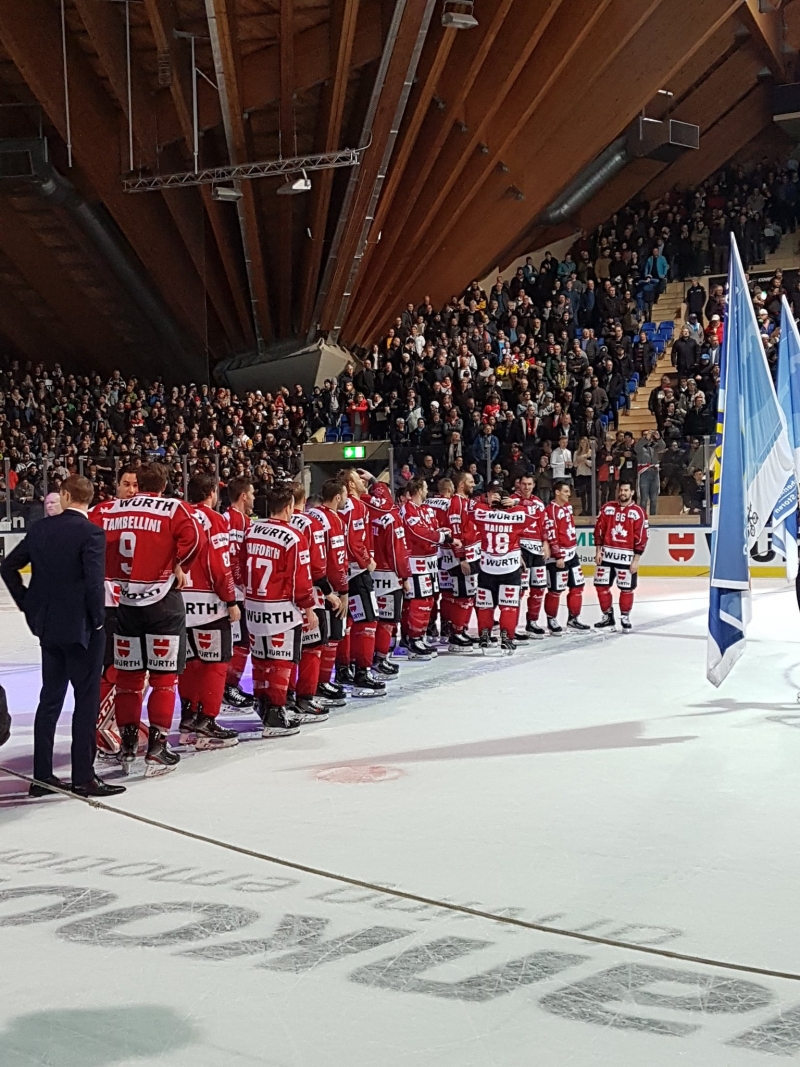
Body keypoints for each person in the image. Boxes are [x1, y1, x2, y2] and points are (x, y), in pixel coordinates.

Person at [1, 474, 124, 798]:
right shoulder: (91, 532)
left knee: (50, 699)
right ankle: (83, 776)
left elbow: (9, 567)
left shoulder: (41, 529)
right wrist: (98, 621)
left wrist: (28, 605)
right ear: (89, 498)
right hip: (82, 630)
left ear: (67, 496)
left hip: (47, 627)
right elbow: (94, 583)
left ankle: (42, 776)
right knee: (85, 701)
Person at [98, 461, 202, 777]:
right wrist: (178, 564)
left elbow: (91, 542)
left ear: (136, 483)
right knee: (163, 678)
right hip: (162, 603)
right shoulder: (172, 508)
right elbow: (194, 539)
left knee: (129, 677)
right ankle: (157, 747)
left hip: (125, 603)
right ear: (163, 485)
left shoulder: (110, 511)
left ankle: (128, 744)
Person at [242, 483, 316, 735]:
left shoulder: (252, 530)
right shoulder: (294, 537)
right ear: (288, 508)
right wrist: (309, 609)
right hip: (281, 609)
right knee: (280, 661)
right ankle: (275, 711)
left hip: (253, 605)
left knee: (260, 659)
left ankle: (262, 704)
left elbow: (241, 568)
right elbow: (300, 580)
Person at [177, 473, 242, 749]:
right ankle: (207, 721)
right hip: (209, 606)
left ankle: (188, 718)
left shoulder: (177, 514)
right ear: (212, 493)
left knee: (188, 663)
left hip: (180, 602)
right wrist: (230, 600)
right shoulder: (215, 520)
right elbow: (220, 565)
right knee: (215, 663)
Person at [89, 465, 140, 759]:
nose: (130, 490)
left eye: (135, 485)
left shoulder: (146, 514)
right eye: (125, 484)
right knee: (112, 667)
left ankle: (118, 721)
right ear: (116, 486)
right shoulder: (101, 512)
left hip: (138, 602)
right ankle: (102, 725)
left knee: (135, 670)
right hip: (110, 603)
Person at [336, 468, 385, 695]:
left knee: (346, 622)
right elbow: (353, 540)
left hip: (341, 572)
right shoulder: (355, 505)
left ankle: (344, 668)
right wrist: (367, 561)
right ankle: (362, 673)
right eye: (358, 478)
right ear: (351, 485)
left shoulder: (336, 506)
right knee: (367, 620)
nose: (362, 480)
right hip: (356, 571)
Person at [470, 481, 530, 653]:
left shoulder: (482, 512)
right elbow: (534, 514)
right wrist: (516, 503)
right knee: (509, 605)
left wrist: (487, 500)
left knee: (485, 605)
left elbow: (472, 508)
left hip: (487, 567)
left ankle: (484, 636)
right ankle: (507, 637)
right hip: (509, 568)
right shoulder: (518, 514)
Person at [307, 478, 351, 705]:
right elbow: (337, 560)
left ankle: (315, 684)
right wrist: (342, 590)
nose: (346, 499)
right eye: (344, 495)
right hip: (326, 586)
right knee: (332, 635)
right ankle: (321, 683)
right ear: (337, 497)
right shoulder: (333, 520)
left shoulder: (311, 514)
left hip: (309, 585)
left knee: (318, 639)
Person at [401, 477, 453, 658]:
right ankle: (413, 639)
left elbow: (433, 528)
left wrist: (442, 533)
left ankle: (421, 635)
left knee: (429, 601)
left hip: (431, 562)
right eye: (424, 487)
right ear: (418, 489)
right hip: (416, 563)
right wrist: (441, 537)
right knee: (418, 602)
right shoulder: (407, 510)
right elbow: (418, 533)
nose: (427, 490)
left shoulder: (427, 510)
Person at [593, 482, 649, 632]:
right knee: (601, 587)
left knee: (626, 589)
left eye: (626, 490)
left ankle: (625, 617)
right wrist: (598, 550)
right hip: (606, 555)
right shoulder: (607, 508)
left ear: (632, 492)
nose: (623, 493)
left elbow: (642, 537)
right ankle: (607, 616)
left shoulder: (638, 512)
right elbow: (599, 530)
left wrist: (636, 560)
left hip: (626, 557)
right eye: (621, 490)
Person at [223, 476, 256, 712]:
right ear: (243, 495)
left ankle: (228, 687)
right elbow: (235, 559)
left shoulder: (226, 518)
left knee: (240, 641)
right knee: (239, 641)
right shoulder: (241, 522)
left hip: (231, 591)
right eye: (252, 493)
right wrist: (242, 586)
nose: (254, 497)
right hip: (234, 593)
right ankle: (227, 687)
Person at [440, 470, 480, 653]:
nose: (473, 484)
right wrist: (462, 558)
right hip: (462, 558)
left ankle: (461, 629)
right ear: (462, 484)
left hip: (471, 555)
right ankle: (456, 634)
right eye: (470, 481)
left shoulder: (465, 502)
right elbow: (455, 532)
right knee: (462, 596)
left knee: (468, 595)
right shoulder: (456, 503)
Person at [544, 479, 588, 634]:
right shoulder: (550, 510)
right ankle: (551, 619)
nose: (569, 494)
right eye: (566, 491)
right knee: (555, 590)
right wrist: (558, 555)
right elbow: (551, 533)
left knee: (577, 587)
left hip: (572, 554)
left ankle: (573, 619)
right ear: (557, 492)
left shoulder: (568, 507)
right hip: (559, 557)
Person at [510, 474, 550, 639]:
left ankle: (532, 622)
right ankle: (513, 625)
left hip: (537, 549)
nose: (526, 487)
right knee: (519, 590)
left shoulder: (539, 503)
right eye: (523, 484)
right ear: (519, 484)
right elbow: (509, 527)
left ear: (534, 485)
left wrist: (546, 543)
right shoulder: (512, 501)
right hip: (522, 549)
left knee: (539, 588)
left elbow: (544, 524)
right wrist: (515, 550)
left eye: (529, 484)